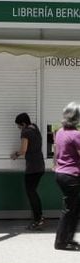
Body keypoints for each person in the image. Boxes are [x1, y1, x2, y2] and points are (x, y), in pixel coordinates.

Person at [10, 113, 45, 230]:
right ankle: (39, 217)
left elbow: (23, 150)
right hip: (40, 166)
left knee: (31, 193)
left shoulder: (25, 132)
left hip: (32, 168)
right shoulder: (35, 128)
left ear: (23, 124)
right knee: (33, 192)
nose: (19, 128)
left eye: (19, 126)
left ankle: (38, 220)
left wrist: (15, 154)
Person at [53, 102, 80, 251]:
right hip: (71, 176)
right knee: (70, 209)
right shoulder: (76, 135)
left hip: (61, 173)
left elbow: (57, 152)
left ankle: (68, 239)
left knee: (74, 208)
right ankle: (61, 242)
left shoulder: (60, 132)